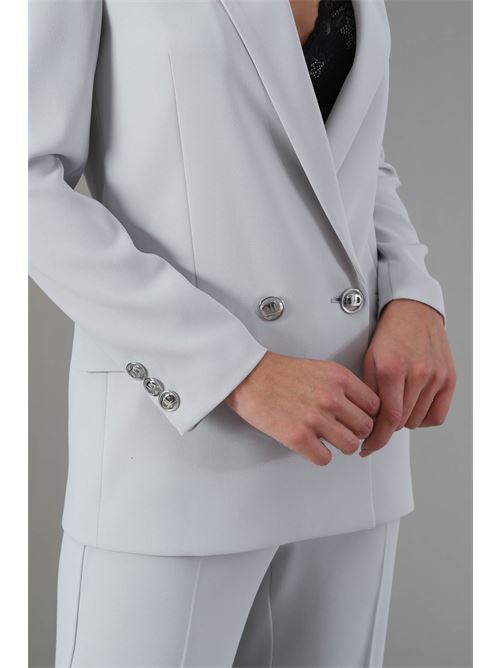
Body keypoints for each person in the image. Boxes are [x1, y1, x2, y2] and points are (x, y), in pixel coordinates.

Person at [28, 0, 456, 666]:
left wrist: (412, 292)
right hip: (184, 449)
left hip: (350, 434)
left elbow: (345, 153)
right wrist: (233, 368)